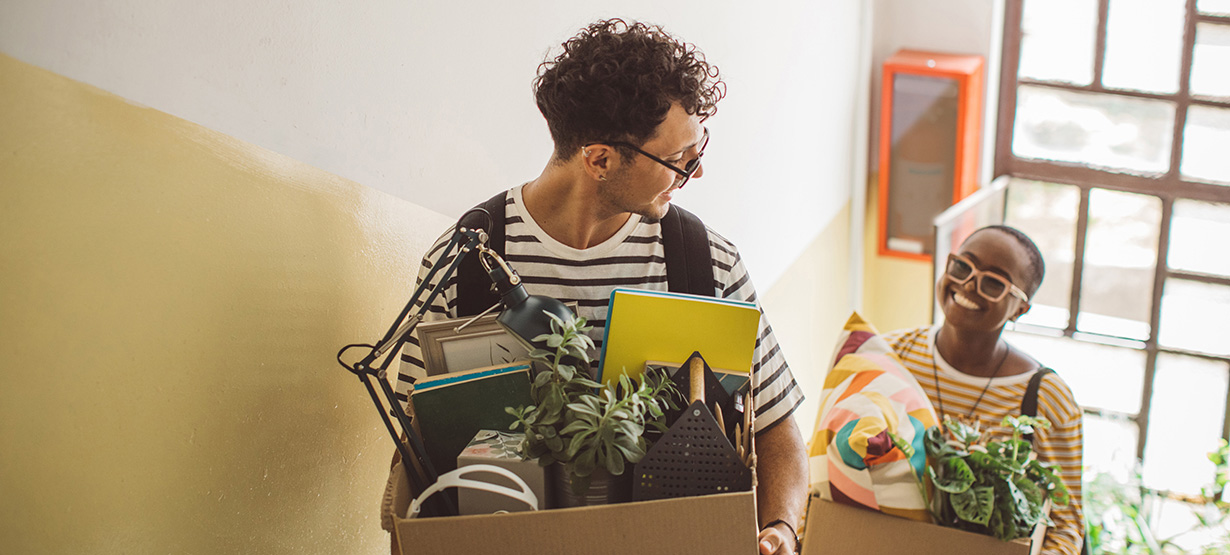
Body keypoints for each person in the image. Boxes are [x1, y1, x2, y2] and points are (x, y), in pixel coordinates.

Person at [383, 18, 808, 555]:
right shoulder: (464, 264)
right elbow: (416, 456)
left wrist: (784, 533)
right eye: (677, 161)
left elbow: (776, 427)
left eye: (696, 153)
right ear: (600, 160)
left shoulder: (708, 262)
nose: (693, 175)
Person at [883, 225, 1084, 554]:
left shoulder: (1047, 399)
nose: (968, 284)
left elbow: (1066, 525)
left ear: (1020, 308)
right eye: (963, 265)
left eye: (993, 281)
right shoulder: (891, 355)